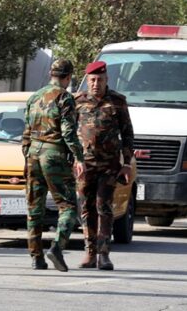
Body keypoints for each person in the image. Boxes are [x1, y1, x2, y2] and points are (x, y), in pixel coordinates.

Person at [22, 59, 85, 272]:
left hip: (33, 153)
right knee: (68, 206)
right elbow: (68, 132)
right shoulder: (64, 97)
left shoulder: (34, 96)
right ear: (68, 77)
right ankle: (57, 247)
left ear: (51, 74)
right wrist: (79, 157)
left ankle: (36, 257)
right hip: (54, 154)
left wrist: (27, 157)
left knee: (34, 207)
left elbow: (26, 132)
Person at [74, 60, 134, 271]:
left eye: (99, 80)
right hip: (85, 165)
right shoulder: (77, 101)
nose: (95, 84)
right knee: (86, 208)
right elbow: (69, 133)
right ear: (87, 81)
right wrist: (74, 159)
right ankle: (90, 252)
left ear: (106, 79)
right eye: (92, 80)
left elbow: (127, 134)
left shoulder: (117, 101)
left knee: (104, 207)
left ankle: (104, 254)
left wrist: (127, 164)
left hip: (109, 165)